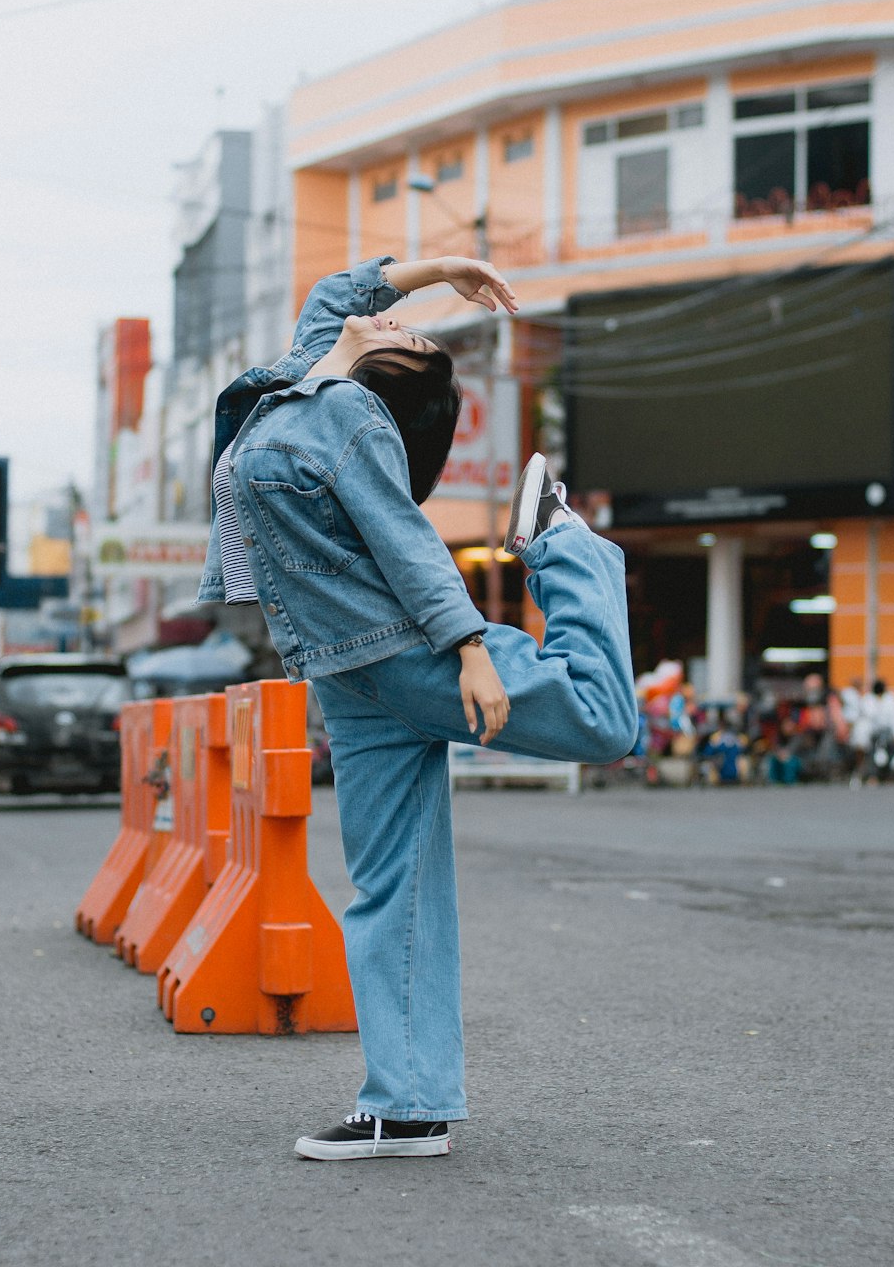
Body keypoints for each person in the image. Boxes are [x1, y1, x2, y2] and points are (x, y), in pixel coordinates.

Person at [197, 255, 637, 1161]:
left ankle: (567, 545)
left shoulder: (346, 413)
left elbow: (408, 542)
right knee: (391, 890)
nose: (402, 325)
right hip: (346, 676)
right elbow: (335, 296)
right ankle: (407, 1105)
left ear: (386, 378)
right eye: (407, 327)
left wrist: (471, 648)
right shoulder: (303, 378)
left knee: (603, 720)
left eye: (413, 338)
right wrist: (442, 271)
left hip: (406, 652)